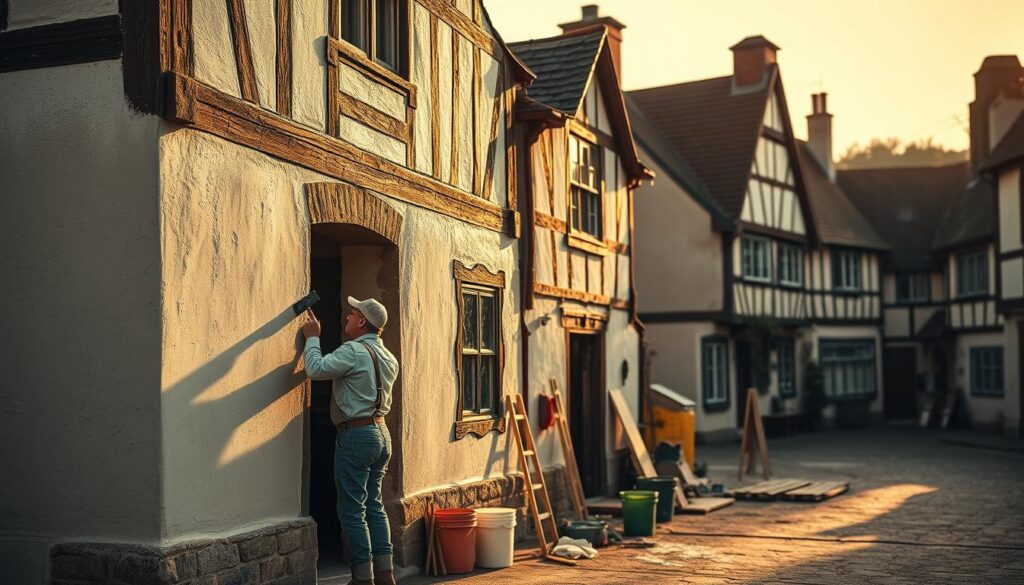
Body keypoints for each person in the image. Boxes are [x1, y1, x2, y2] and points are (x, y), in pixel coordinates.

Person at [302, 296, 399, 585]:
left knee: (352, 510)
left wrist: (312, 338)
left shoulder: (353, 351)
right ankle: (385, 575)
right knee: (375, 506)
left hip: (356, 434)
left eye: (352, 313)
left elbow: (316, 369)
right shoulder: (388, 356)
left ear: (362, 321)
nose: (346, 316)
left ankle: (362, 579)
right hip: (381, 434)